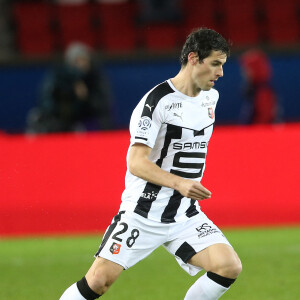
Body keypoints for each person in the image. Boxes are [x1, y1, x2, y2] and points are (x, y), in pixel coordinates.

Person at [60, 28, 242, 300]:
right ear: (194, 58)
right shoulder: (156, 102)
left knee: (228, 266)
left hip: (183, 213)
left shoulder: (210, 98)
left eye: (223, 65)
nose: (221, 73)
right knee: (98, 281)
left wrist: (182, 188)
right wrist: (179, 182)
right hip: (143, 212)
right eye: (215, 64)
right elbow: (136, 163)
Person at [26, 42, 113, 133]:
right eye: (78, 61)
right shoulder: (58, 76)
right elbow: (47, 100)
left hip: (81, 120)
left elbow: (103, 103)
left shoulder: (94, 77)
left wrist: (85, 98)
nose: (82, 64)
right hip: (57, 118)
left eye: (84, 60)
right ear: (70, 62)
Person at [239, 49, 279, 124]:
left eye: (247, 70)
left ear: (256, 70)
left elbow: (264, 120)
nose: (244, 74)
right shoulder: (254, 90)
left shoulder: (262, 93)